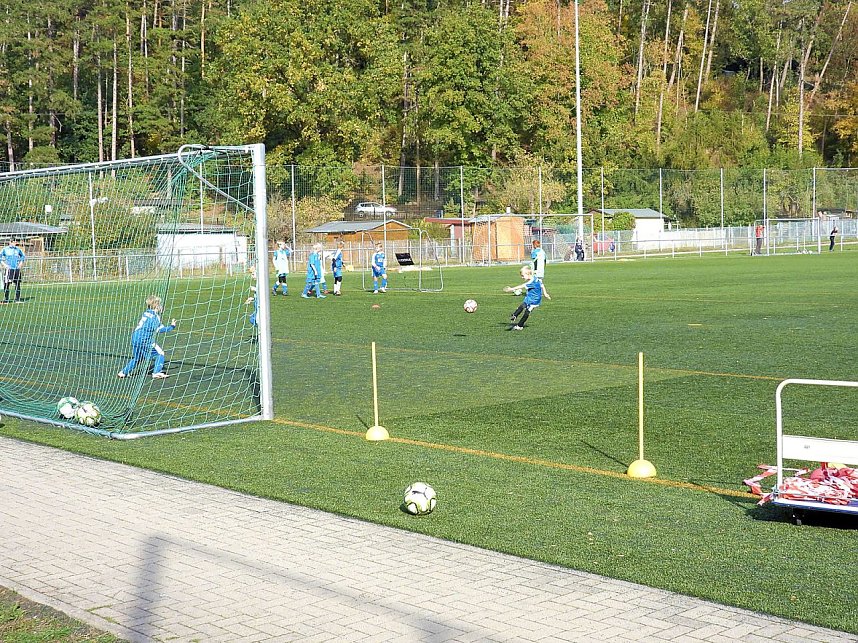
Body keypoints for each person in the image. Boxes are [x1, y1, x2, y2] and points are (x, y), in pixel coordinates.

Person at [117, 295, 177, 379]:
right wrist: (172, 326)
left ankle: (123, 372)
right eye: (159, 304)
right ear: (156, 305)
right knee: (160, 353)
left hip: (135, 337)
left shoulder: (146, 313)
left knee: (138, 357)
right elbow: (160, 330)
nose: (161, 306)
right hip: (144, 340)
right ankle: (156, 372)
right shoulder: (155, 317)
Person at [504, 265, 550, 330]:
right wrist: (545, 293)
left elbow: (522, 286)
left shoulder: (531, 282)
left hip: (535, 300)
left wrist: (512, 289)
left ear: (528, 274)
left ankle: (520, 326)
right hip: (529, 297)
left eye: (523, 275)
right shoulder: (536, 278)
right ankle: (514, 315)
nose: (522, 277)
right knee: (522, 305)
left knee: (527, 312)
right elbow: (542, 285)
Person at [1, 239, 26, 304]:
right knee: (7, 284)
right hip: (9, 269)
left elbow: (23, 256)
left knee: (17, 283)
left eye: (16, 242)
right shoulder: (5, 249)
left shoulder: (18, 249)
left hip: (16, 269)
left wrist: (20, 263)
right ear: (10, 242)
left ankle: (17, 299)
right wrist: (4, 264)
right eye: (14, 242)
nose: (15, 243)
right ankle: (6, 299)